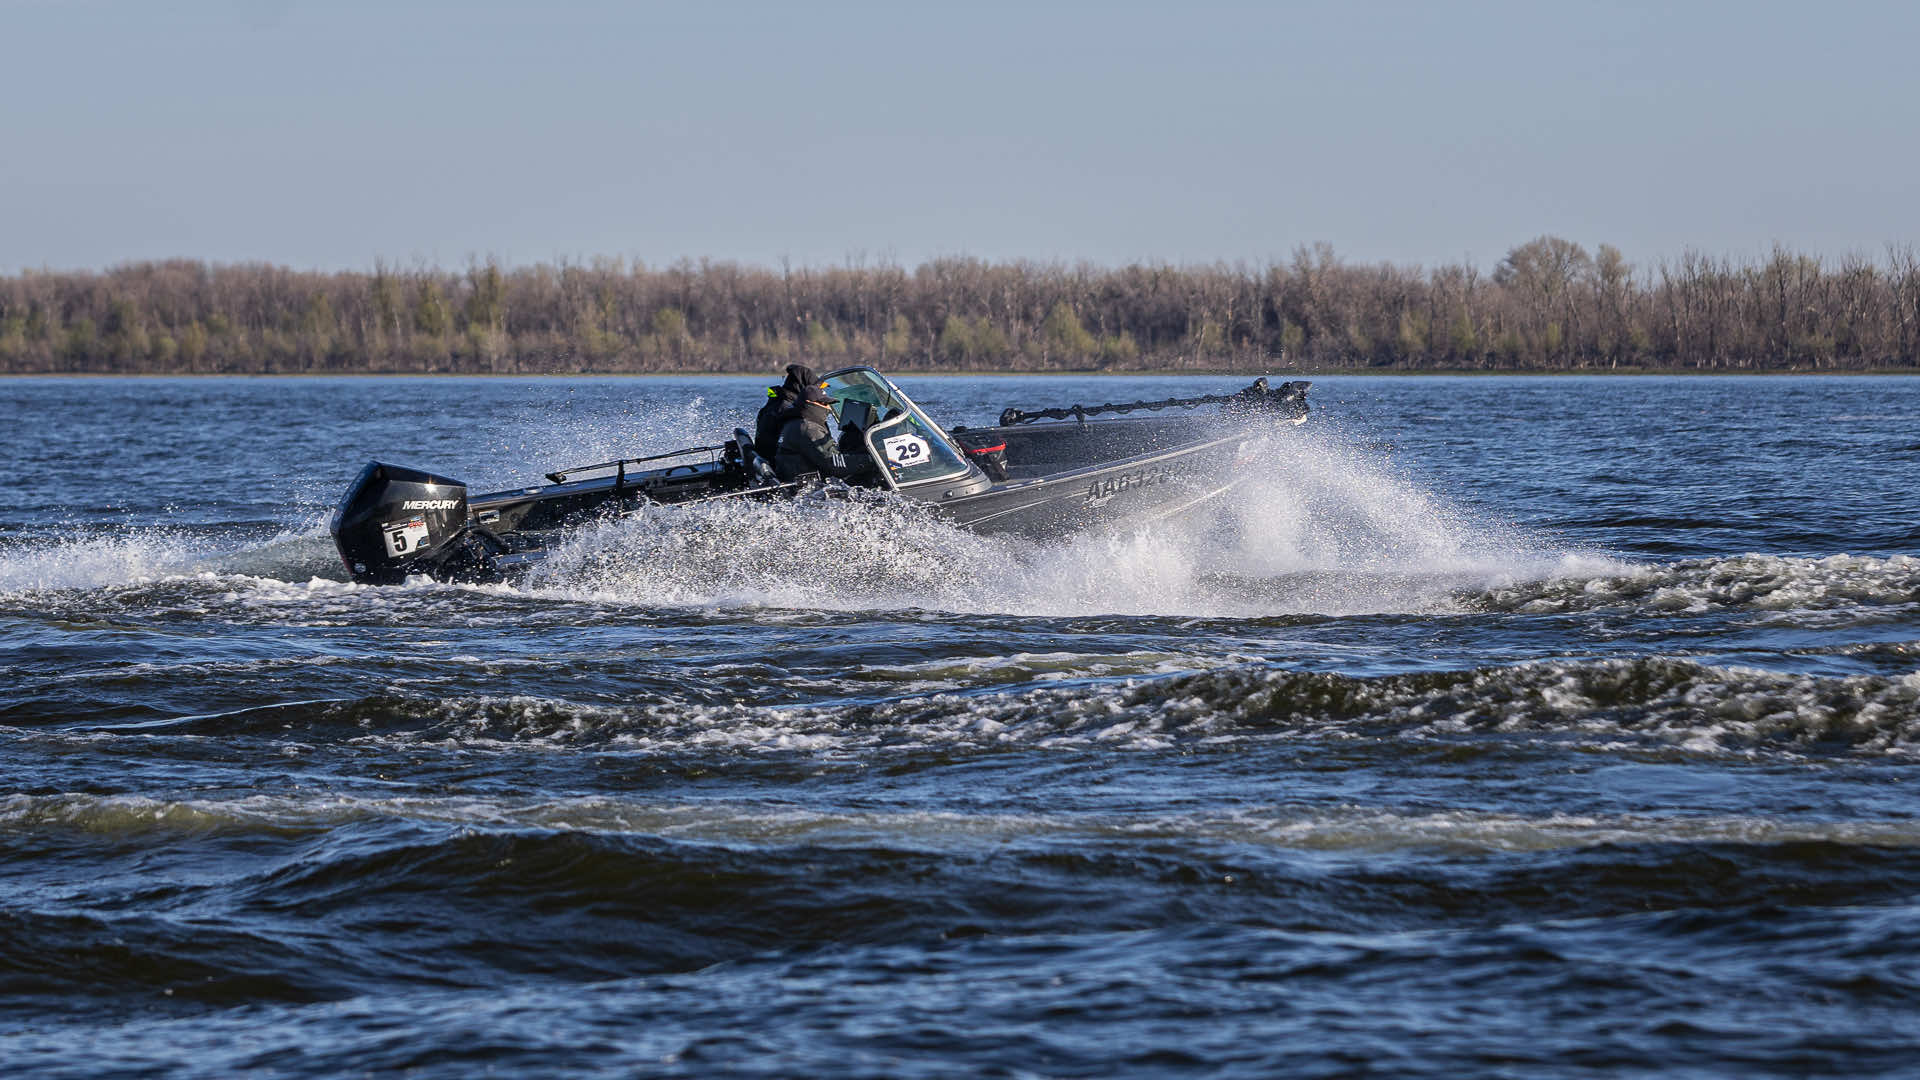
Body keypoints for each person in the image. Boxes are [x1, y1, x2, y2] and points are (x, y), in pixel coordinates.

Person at [774, 384, 876, 483]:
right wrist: (872, 459)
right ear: (809, 403)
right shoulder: (809, 428)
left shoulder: (795, 423)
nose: (828, 408)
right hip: (808, 489)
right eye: (824, 404)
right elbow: (835, 465)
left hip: (796, 478)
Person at [753, 364, 815, 461]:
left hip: (766, 458)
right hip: (777, 465)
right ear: (802, 387)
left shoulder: (776, 402)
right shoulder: (786, 409)